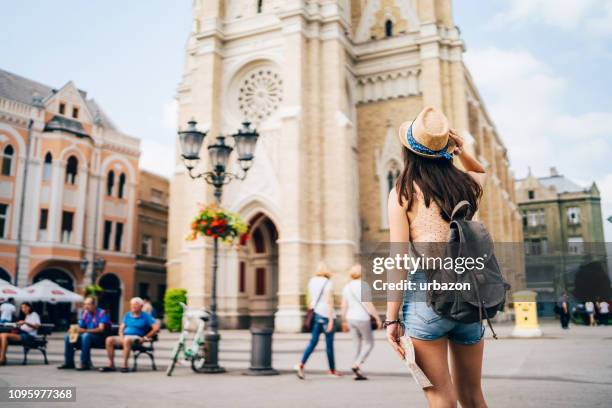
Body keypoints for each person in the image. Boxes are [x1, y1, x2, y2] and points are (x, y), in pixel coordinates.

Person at [386, 107, 487, 407]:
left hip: (426, 295)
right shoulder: (465, 185)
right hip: (470, 293)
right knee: (473, 395)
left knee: (441, 396)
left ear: (408, 151)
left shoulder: (402, 191)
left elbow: (399, 259)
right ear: (445, 148)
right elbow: (480, 172)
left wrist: (392, 319)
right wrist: (462, 151)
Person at [295, 262, 340, 379]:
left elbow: (309, 299)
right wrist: (330, 320)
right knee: (329, 345)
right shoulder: (328, 283)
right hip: (326, 314)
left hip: (316, 314)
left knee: (313, 342)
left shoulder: (312, 281)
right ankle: (332, 370)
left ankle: (301, 364)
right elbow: (329, 301)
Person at [341, 264, 381, 380]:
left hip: (350, 318)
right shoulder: (363, 286)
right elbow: (369, 305)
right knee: (369, 343)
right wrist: (377, 318)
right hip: (362, 318)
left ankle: (356, 371)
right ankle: (357, 364)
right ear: (362, 273)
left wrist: (343, 321)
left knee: (357, 346)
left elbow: (344, 305)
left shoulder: (346, 287)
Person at [99, 297, 159, 373]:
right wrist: (121, 337)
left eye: (135, 305)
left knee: (127, 340)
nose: (133, 306)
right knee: (109, 339)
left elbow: (156, 328)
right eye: (132, 305)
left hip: (137, 337)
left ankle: (125, 365)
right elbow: (121, 328)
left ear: (141, 306)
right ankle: (111, 365)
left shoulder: (146, 316)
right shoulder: (127, 315)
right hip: (125, 336)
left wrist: (144, 338)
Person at [58, 296, 111, 370]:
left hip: (101, 339)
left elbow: (101, 329)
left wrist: (85, 331)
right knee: (68, 337)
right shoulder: (85, 314)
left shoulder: (102, 313)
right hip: (88, 338)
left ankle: (85, 363)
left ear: (94, 305)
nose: (86, 306)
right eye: (85, 304)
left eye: (88, 304)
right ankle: (69, 362)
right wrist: (73, 330)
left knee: (86, 336)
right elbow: (80, 326)